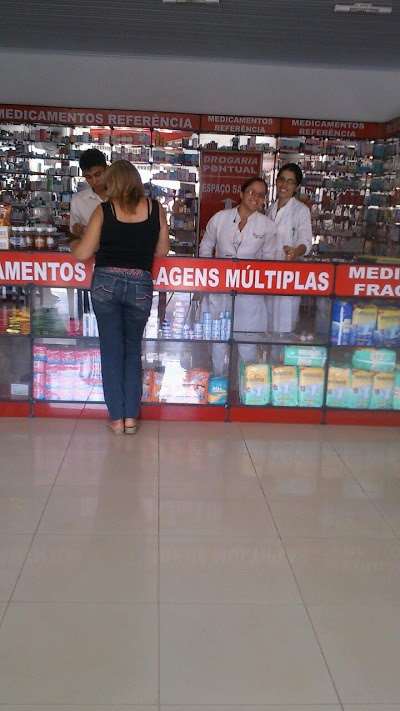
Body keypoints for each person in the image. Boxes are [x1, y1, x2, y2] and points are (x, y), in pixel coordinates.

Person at [71, 160, 169, 435]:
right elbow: (162, 251)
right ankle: (131, 419)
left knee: (112, 350)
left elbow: (83, 253)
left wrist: (73, 243)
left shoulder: (104, 211)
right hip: (140, 284)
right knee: (132, 349)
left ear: (112, 183)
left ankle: (116, 418)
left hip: (106, 285)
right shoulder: (155, 209)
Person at [199, 177, 276, 372]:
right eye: (251, 192)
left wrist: (257, 279)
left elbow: (269, 260)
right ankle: (218, 381)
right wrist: (210, 273)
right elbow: (206, 246)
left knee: (247, 345)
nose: (255, 197)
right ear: (241, 194)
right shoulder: (220, 218)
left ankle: (246, 386)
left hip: (249, 294)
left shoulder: (267, 226)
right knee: (219, 342)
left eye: (261, 195)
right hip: (220, 288)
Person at [266, 163, 313, 334]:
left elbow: (306, 241)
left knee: (284, 326)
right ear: (276, 181)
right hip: (268, 273)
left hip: (289, 275)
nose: (284, 185)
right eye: (281, 179)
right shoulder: (270, 209)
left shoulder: (301, 210)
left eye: (290, 181)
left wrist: (295, 252)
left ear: (296, 187)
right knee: (268, 324)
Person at [70, 148, 108, 239]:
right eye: (88, 177)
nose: (94, 181)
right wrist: (77, 229)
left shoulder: (120, 196)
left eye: (97, 175)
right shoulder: (78, 200)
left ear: (107, 169)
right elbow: (73, 231)